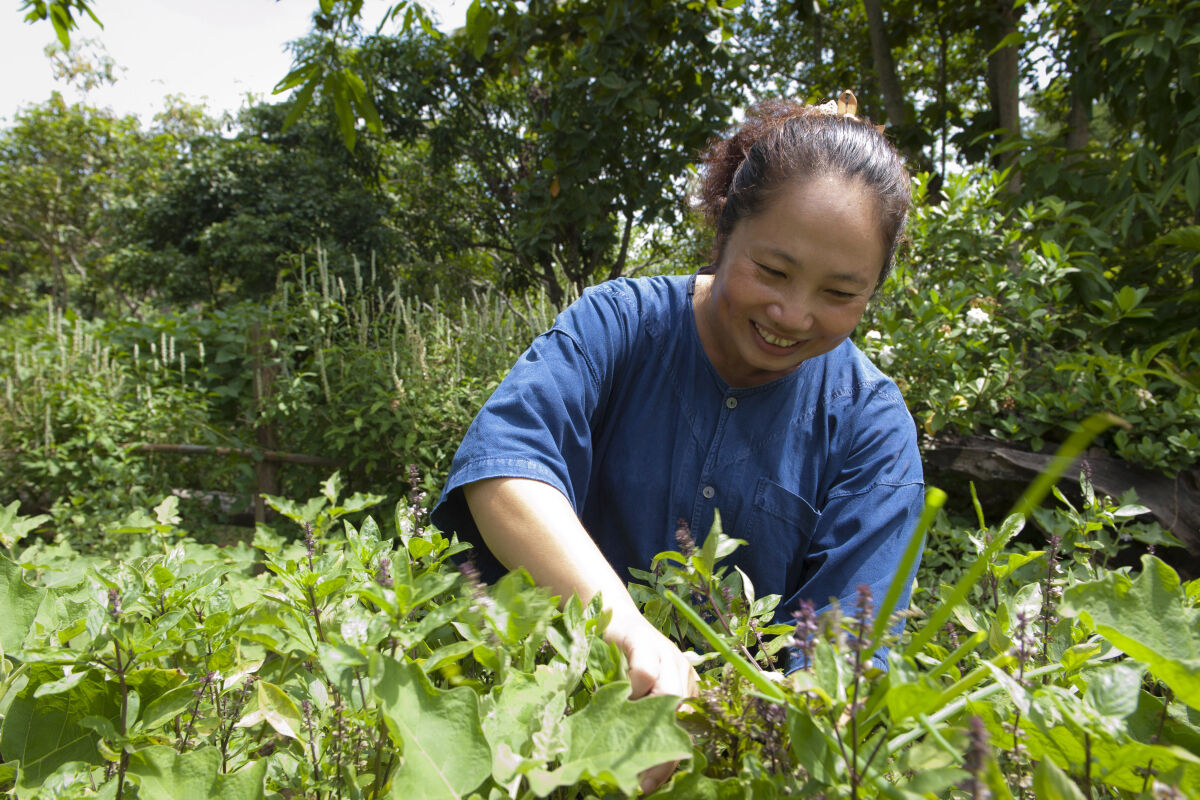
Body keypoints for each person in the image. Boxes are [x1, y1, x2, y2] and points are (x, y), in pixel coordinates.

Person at [431, 91, 924, 790]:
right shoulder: (620, 325)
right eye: (773, 272)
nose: (792, 314)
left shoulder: (871, 424)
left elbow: (843, 661)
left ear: (873, 290)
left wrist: (739, 729)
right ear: (726, 233)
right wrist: (630, 636)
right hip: (535, 721)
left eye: (840, 293)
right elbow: (506, 475)